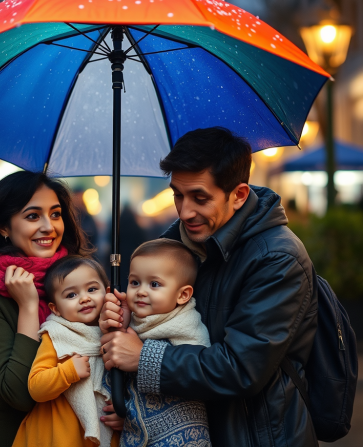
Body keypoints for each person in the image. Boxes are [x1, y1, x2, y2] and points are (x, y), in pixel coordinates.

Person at [99, 127, 318, 447]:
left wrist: (144, 356)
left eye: (200, 198)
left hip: (255, 435)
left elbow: (242, 368)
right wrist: (123, 319)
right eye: (178, 194)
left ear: (239, 195)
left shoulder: (277, 259)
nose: (185, 211)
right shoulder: (175, 246)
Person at [0, 172, 120, 447]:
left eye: (55, 214)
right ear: (3, 227)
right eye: (33, 216)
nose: (49, 227)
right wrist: (29, 307)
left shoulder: (82, 281)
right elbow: (19, 394)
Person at [12, 256, 121, 447]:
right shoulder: (56, 335)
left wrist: (123, 412)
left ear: (108, 292)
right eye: (71, 295)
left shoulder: (117, 333)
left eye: (92, 289)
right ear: (56, 309)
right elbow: (36, 387)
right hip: (58, 436)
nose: (85, 298)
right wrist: (68, 371)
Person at [111, 239, 211, 447]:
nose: (141, 291)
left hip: (183, 438)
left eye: (154, 284)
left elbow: (195, 372)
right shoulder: (137, 322)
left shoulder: (186, 327)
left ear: (183, 295)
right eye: (134, 282)